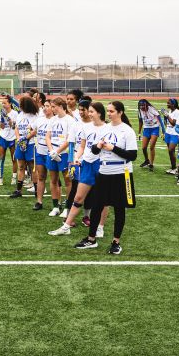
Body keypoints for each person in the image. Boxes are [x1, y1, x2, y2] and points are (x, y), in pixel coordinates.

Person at [76, 101, 138, 254]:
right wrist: (97, 146)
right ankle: (91, 239)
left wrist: (113, 148)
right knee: (97, 206)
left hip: (121, 173)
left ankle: (116, 242)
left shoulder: (127, 131)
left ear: (120, 112)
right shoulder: (104, 129)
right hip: (104, 172)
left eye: (112, 111)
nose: (109, 113)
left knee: (119, 208)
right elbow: (94, 150)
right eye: (108, 111)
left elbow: (132, 155)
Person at [50, 101, 107, 238]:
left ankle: (100, 227)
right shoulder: (84, 128)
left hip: (102, 165)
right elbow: (81, 146)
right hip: (86, 164)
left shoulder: (108, 128)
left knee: (102, 199)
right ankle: (66, 226)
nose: (84, 113)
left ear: (98, 113)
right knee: (78, 196)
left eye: (90, 111)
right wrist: (75, 158)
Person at [42, 97, 73, 217]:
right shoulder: (52, 120)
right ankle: (55, 206)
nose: (52, 109)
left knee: (67, 181)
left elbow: (69, 139)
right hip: (52, 153)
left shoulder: (69, 120)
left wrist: (58, 151)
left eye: (53, 106)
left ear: (60, 106)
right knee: (53, 179)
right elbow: (47, 136)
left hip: (64, 154)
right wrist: (51, 151)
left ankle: (67, 208)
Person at [9, 95, 40, 198]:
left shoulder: (35, 116)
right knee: (21, 166)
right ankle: (18, 190)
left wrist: (26, 138)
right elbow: (17, 128)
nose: (19, 105)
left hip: (31, 144)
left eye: (21, 104)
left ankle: (37, 190)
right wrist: (19, 139)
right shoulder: (20, 115)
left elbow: (35, 130)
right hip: (21, 143)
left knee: (32, 168)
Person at [0, 95, 19, 186]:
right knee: (1, 158)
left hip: (12, 138)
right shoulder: (0, 112)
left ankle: (14, 177)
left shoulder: (15, 114)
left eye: (5, 103)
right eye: (2, 103)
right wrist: (2, 119)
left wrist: (8, 118)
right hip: (3, 137)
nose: (3, 104)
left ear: (10, 104)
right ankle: (0, 178)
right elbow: (2, 127)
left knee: (14, 159)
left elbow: (13, 127)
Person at [136, 99, 162, 171]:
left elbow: (160, 119)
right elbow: (140, 122)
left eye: (143, 105)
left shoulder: (152, 109)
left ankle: (151, 164)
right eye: (140, 106)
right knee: (144, 147)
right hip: (146, 129)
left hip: (155, 128)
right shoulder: (139, 111)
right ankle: (146, 160)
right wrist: (139, 133)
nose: (142, 107)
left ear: (146, 104)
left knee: (151, 147)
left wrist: (163, 130)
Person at [161, 98, 179, 174]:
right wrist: (165, 117)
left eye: (168, 103)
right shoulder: (170, 111)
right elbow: (167, 123)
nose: (167, 104)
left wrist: (167, 115)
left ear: (173, 104)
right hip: (168, 132)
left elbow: (173, 123)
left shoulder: (177, 112)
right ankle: (173, 168)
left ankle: (175, 168)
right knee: (170, 152)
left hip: (175, 134)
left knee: (171, 149)